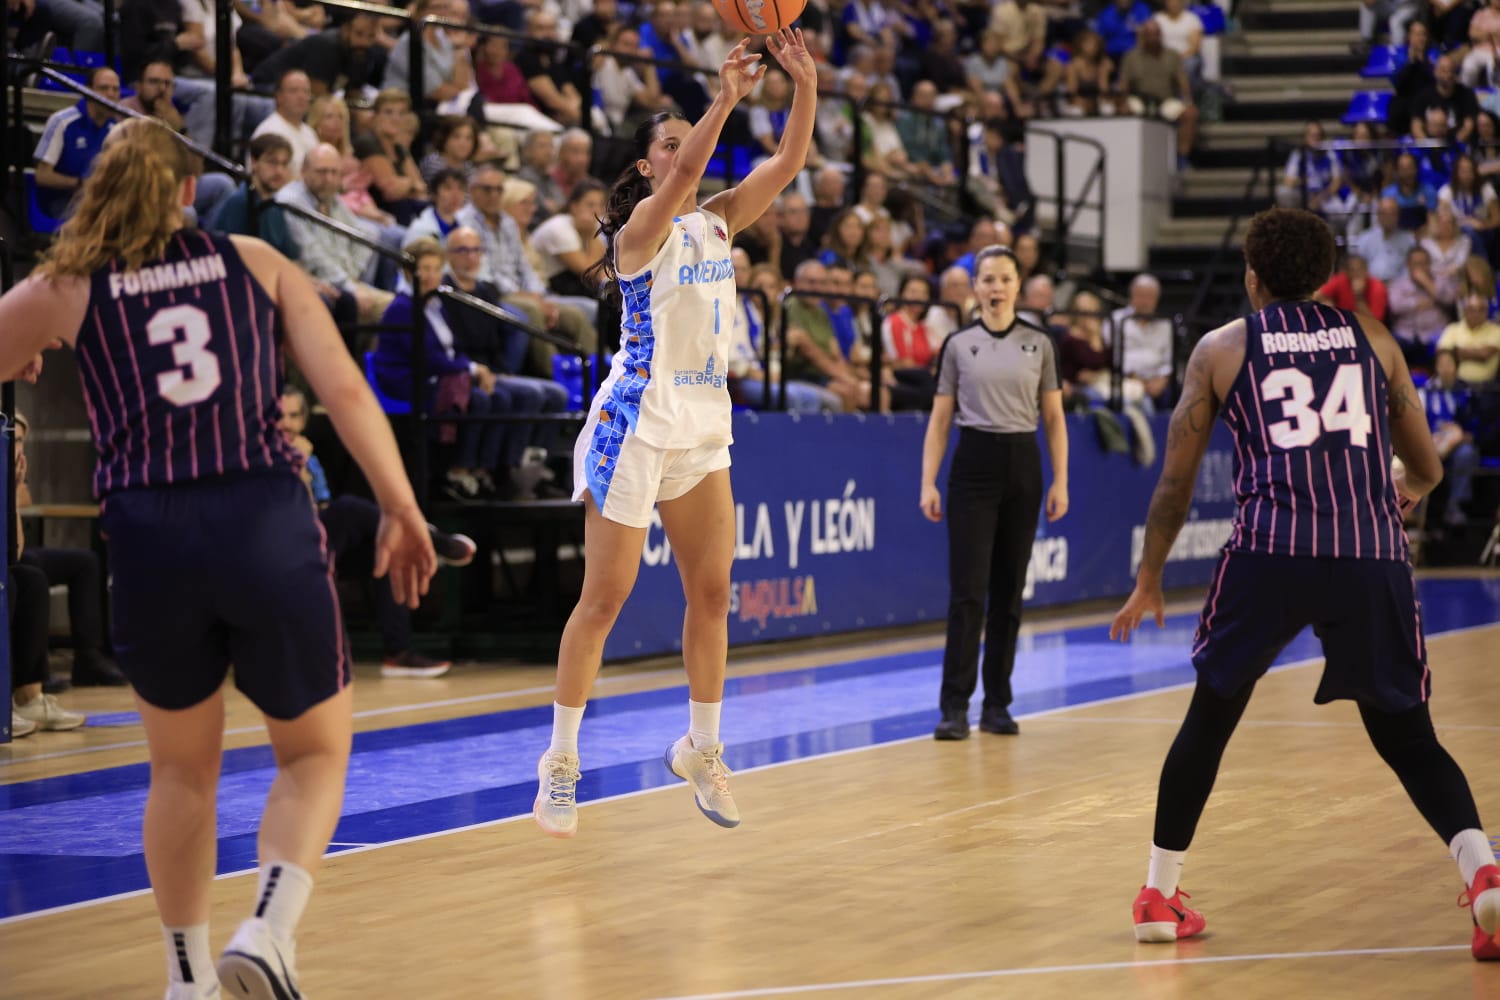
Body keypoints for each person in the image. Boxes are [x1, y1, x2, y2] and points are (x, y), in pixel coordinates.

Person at [0, 118, 437, 1000]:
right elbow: (344, 389)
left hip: (150, 535)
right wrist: (401, 503)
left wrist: (36, 344)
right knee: (312, 755)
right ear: (184, 191)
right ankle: (268, 930)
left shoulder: (67, 285)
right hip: (260, 516)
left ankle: (187, 977)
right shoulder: (254, 260)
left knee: (179, 771)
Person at [1108, 207, 1500, 959]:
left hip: (1270, 552)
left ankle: (1159, 893)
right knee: (1408, 738)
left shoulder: (1222, 349)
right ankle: (1482, 874)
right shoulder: (1373, 338)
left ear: (1252, 277)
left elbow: (1173, 487)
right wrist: (1402, 489)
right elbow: (1429, 466)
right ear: (1325, 277)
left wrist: (1149, 579)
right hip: (1368, 552)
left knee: (1210, 720)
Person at [532, 30, 818, 839]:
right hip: (636, 422)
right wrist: (723, 98)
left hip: (701, 422)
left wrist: (805, 86)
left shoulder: (720, 223)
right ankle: (559, 761)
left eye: (681, 136)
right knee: (606, 599)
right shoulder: (636, 237)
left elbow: (787, 165)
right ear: (647, 168)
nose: (681, 151)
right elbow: (694, 167)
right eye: (666, 142)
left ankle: (704, 745)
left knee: (714, 592)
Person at [919, 245, 1070, 740]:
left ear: (1017, 286)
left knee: (1008, 592)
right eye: (987, 279)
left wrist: (1061, 480)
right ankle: (954, 707)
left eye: (1005, 279)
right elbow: (941, 420)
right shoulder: (959, 345)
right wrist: (929, 481)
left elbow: (1054, 418)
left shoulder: (1040, 343)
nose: (996, 287)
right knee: (968, 592)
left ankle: (998, 704)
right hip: (973, 466)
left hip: (1022, 465)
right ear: (976, 287)